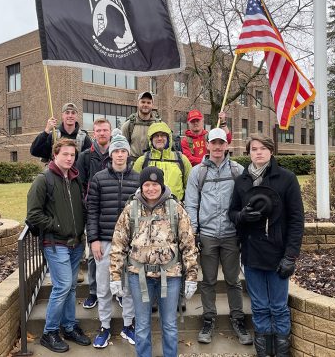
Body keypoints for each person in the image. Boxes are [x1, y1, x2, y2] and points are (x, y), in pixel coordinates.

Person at [109, 167, 199, 357]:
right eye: (147, 185)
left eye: (155, 184)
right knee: (141, 326)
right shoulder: (131, 209)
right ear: (141, 186)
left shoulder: (176, 208)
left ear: (162, 184)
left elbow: (188, 244)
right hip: (139, 276)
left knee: (169, 325)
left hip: (171, 276)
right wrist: (115, 275)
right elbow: (118, 244)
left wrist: (191, 276)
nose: (151, 188)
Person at [228, 134, 304, 357]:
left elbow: (297, 220)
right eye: (253, 149)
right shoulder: (241, 181)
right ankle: (264, 352)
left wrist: (291, 255)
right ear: (249, 152)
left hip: (278, 253)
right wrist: (241, 216)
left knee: (279, 307)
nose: (258, 152)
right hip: (252, 253)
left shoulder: (286, 178)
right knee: (260, 307)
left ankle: (281, 353)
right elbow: (231, 212)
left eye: (262, 148)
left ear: (271, 151)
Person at [184, 128, 252, 345]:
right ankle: (209, 319)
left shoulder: (238, 170)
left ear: (227, 145)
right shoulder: (197, 172)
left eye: (221, 143)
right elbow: (192, 203)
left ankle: (238, 319)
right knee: (209, 281)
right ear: (207, 144)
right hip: (208, 236)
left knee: (233, 281)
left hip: (231, 235)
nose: (217, 147)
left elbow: (246, 201)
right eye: (214, 143)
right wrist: (194, 232)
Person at [26, 138, 92, 353]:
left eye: (72, 155)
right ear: (55, 154)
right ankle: (49, 332)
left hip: (75, 243)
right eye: (65, 154)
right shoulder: (43, 180)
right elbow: (34, 214)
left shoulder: (74, 178)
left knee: (71, 287)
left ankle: (69, 326)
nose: (69, 158)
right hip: (55, 243)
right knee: (62, 286)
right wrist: (56, 225)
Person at [86, 131, 139, 348]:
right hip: (105, 241)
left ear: (128, 153)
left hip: (130, 243)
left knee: (127, 286)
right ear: (110, 154)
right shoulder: (98, 178)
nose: (119, 155)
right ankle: (105, 326)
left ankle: (128, 324)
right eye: (115, 151)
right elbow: (92, 210)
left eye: (123, 151)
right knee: (104, 287)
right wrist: (94, 239)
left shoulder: (137, 178)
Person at [76, 118, 113, 310]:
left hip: (111, 211)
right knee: (94, 254)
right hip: (93, 210)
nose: (102, 133)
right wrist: (86, 203)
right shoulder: (85, 157)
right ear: (94, 133)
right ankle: (93, 291)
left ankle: (116, 291)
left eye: (105, 130)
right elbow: (80, 183)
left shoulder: (116, 155)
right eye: (98, 131)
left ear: (110, 132)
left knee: (116, 252)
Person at [132, 122, 192, 202]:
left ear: (168, 138)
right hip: (149, 209)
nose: (159, 138)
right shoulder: (142, 161)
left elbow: (191, 188)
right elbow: (134, 187)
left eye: (163, 135)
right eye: (156, 136)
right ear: (151, 139)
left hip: (176, 209)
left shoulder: (181, 159)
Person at [121, 91, 161, 158]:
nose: (145, 105)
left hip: (152, 164)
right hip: (133, 165)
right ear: (138, 103)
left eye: (148, 103)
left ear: (152, 105)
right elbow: (122, 147)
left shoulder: (158, 125)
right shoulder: (129, 125)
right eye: (143, 102)